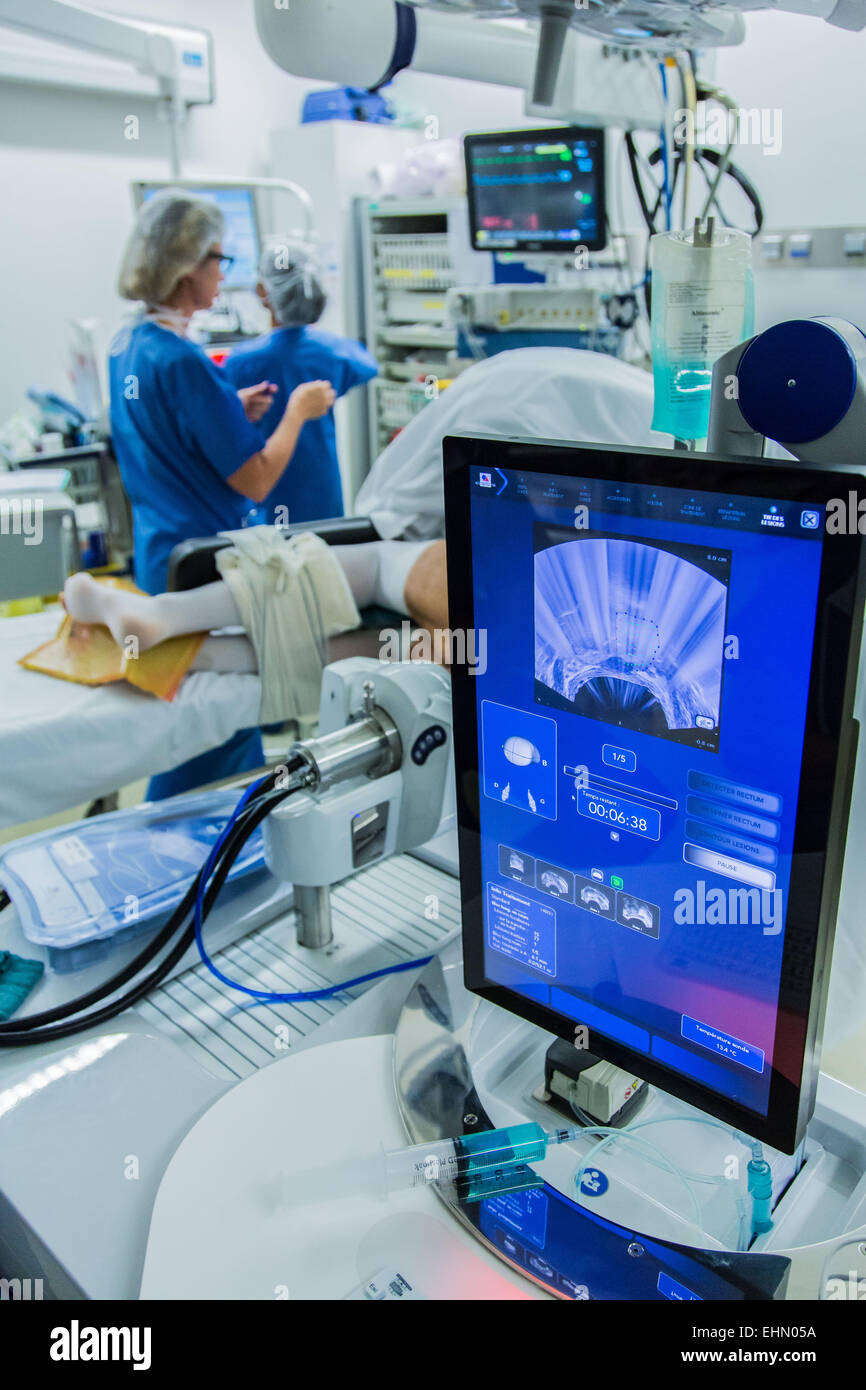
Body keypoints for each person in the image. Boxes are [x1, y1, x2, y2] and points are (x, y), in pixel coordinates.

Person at [109, 189, 335, 794]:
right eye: (219, 260)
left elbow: (160, 434)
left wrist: (226, 409)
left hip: (163, 558)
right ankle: (212, 868)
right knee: (216, 731)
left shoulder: (129, 346)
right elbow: (258, 475)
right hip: (207, 571)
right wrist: (297, 410)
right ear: (187, 266)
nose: (223, 275)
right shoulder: (184, 362)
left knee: (185, 722)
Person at [221, 238, 378, 526]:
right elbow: (368, 365)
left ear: (261, 292)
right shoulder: (331, 351)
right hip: (322, 497)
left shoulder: (243, 360)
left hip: (268, 497)